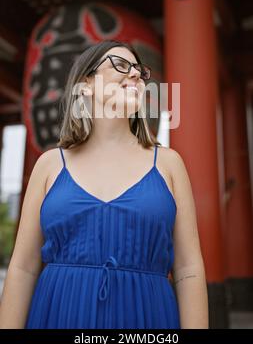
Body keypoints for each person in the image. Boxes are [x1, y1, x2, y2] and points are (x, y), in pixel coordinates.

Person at [0, 39, 208, 329]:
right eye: (121, 65)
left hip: (147, 318)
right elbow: (23, 267)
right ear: (85, 85)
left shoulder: (168, 164)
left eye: (139, 70)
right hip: (58, 314)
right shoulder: (50, 165)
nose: (135, 74)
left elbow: (188, 269)